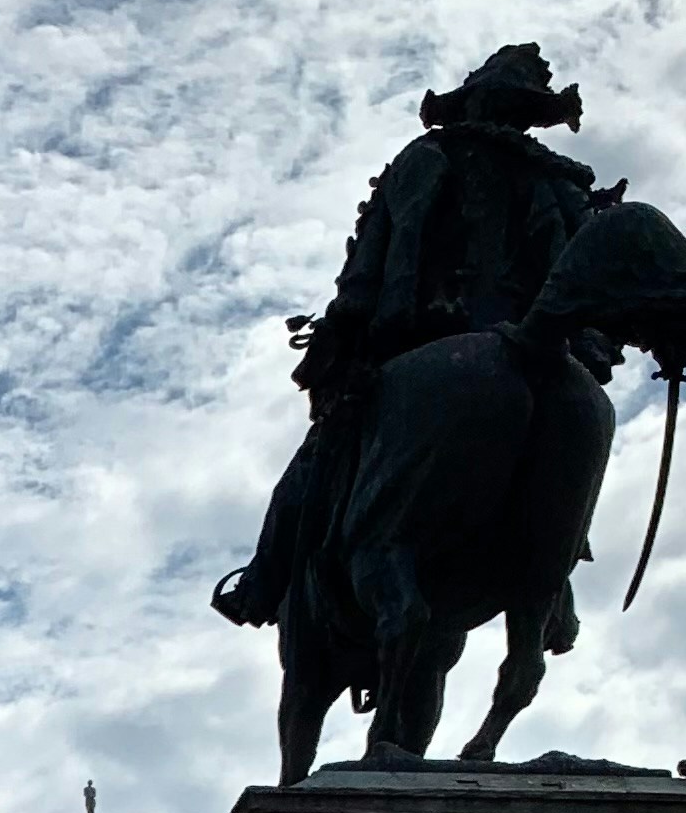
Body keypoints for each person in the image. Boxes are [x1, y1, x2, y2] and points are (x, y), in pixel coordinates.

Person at [220, 44, 608, 632]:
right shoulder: (558, 181)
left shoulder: (428, 156)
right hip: (541, 341)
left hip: (423, 331)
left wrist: (351, 326)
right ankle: (553, 586)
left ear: (471, 101)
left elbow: (380, 256)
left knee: (322, 454)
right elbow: (587, 265)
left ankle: (261, 583)